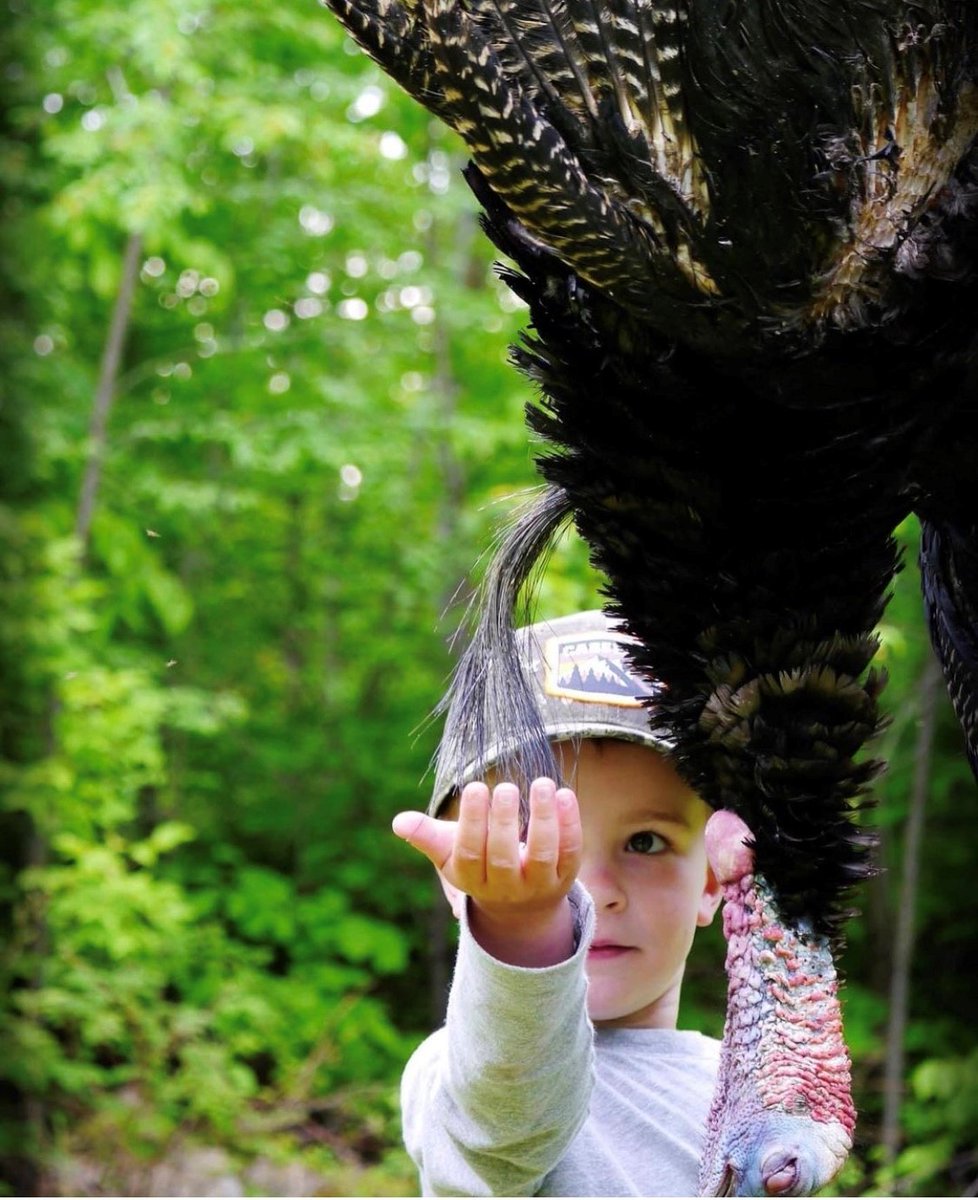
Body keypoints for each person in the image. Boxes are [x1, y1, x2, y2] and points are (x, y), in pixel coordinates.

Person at [392, 610, 725, 1196]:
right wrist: (522, 925)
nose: (594, 892)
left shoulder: (751, 1084)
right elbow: (509, 1128)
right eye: (530, 844)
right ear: (458, 877)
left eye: (645, 842)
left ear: (712, 879)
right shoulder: (457, 1073)